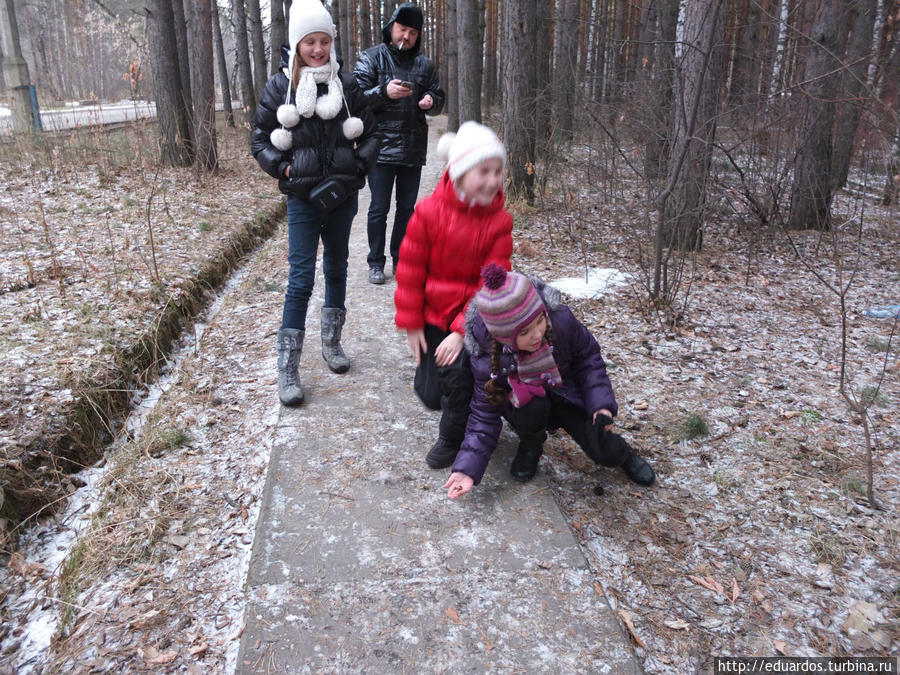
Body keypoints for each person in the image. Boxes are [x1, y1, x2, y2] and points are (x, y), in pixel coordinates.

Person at [251, 0, 381, 406]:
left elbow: (373, 132)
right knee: (301, 278)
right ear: (297, 43)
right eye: (311, 42)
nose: (319, 49)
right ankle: (287, 368)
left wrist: (359, 165)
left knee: (338, 268)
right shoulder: (280, 88)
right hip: (302, 199)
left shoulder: (348, 86)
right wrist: (283, 169)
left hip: (342, 197)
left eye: (325, 41)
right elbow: (258, 139)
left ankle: (332, 344)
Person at [444, 264, 656, 499]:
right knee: (531, 411)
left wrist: (600, 404)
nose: (536, 335)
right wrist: (467, 469)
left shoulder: (560, 321)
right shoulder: (488, 359)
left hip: (567, 393)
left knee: (602, 449)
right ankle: (531, 443)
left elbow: (589, 359)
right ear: (502, 338)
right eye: (523, 333)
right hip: (527, 403)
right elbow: (483, 416)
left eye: (539, 322)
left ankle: (624, 455)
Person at [394, 122, 513, 470]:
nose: (493, 181)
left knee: (459, 381)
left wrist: (463, 332)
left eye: (498, 172)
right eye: (484, 171)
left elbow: (493, 283)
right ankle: (456, 402)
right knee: (431, 395)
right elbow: (410, 269)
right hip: (432, 315)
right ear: (460, 172)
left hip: (472, 319)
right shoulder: (428, 213)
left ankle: (454, 435)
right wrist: (412, 322)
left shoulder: (499, 222)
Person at [353, 2, 445, 285]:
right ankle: (375, 262)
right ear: (391, 27)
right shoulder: (371, 58)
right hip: (379, 148)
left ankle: (401, 260)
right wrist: (384, 92)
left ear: (418, 36)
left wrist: (431, 101)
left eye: (412, 33)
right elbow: (355, 99)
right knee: (379, 208)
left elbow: (437, 97)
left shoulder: (425, 65)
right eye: (402, 30)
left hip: (412, 148)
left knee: (407, 209)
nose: (406, 37)